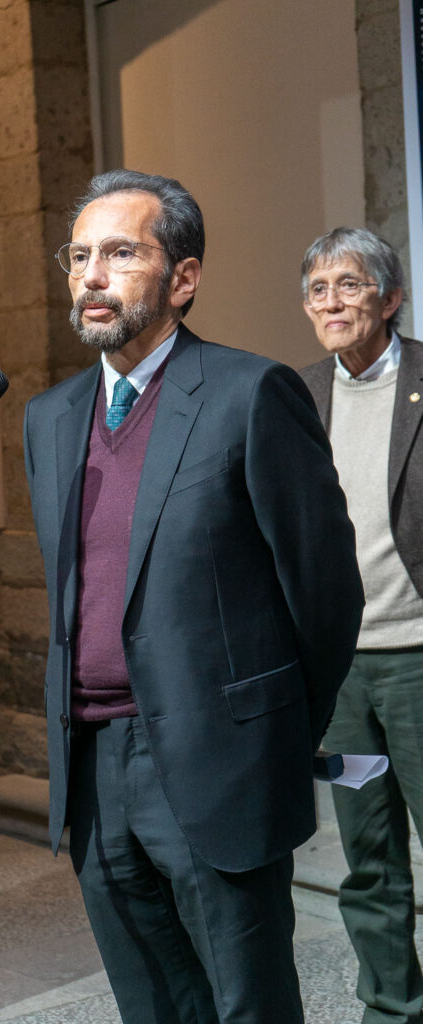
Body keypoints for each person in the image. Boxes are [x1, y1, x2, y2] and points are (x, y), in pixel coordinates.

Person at [23, 169, 363, 1024]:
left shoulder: (250, 395)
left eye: (122, 253)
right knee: (153, 1004)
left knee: (247, 1005)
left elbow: (324, 594)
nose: (92, 275)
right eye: (80, 256)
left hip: (217, 761)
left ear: (184, 277)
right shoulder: (50, 418)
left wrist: (270, 733)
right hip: (93, 767)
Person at [300, 226, 423, 1024]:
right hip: (341, 672)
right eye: (317, 290)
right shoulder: (297, 394)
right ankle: (392, 1008)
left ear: (390, 298)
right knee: (368, 858)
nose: (332, 302)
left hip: (418, 661)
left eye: (349, 285)